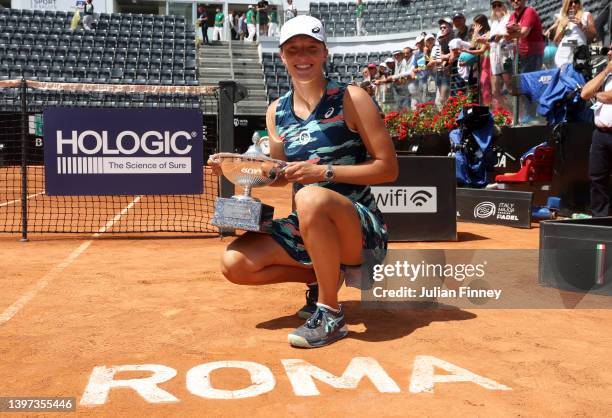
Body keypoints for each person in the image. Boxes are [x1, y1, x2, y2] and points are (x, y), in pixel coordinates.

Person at [208, 15, 398, 348]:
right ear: (282, 56)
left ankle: (331, 313)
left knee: (310, 196)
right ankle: (324, 277)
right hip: (308, 223)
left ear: (324, 53)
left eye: (311, 48)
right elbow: (280, 175)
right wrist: (237, 168)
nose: (302, 56)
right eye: (293, 49)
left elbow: (387, 169)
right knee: (234, 264)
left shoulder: (352, 98)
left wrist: (324, 173)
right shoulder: (276, 111)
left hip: (359, 228)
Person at [581, 44, 612, 217]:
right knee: (597, 178)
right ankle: (599, 220)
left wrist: (597, 94)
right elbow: (585, 93)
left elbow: (608, 97)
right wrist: (606, 71)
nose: (608, 52)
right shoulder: (607, 73)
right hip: (601, 134)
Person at [506, 0, 544, 123]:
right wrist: (514, 32)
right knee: (521, 85)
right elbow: (509, 35)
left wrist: (515, 32)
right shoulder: (513, 16)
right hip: (520, 55)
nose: (515, 1)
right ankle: (528, 114)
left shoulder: (529, 12)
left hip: (533, 53)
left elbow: (523, 33)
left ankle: (533, 115)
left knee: (530, 84)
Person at [547, 0, 596, 68]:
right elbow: (556, 42)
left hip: (579, 52)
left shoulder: (586, 15)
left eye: (576, 2)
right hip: (563, 55)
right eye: (570, 3)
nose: (573, 4)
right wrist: (562, 28)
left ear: (579, 3)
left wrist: (581, 26)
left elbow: (593, 34)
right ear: (566, 5)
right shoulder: (563, 19)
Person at [487, 0, 512, 110]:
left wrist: (500, 35)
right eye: (494, 6)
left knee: (511, 87)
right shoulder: (493, 23)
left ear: (504, 6)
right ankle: (510, 113)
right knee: (495, 91)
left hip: (506, 54)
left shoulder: (509, 17)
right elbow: (491, 41)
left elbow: (515, 33)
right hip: (494, 56)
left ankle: (520, 114)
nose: (496, 7)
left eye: (499, 5)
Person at [464, 14, 492, 105]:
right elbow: (472, 46)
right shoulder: (481, 35)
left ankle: (491, 109)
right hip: (482, 64)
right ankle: (487, 108)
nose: (474, 27)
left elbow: (481, 50)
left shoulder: (488, 33)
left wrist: (475, 33)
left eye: (475, 25)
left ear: (481, 24)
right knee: (483, 87)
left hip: (488, 63)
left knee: (486, 87)